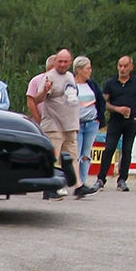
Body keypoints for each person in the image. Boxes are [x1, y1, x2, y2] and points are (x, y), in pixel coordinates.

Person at [33, 49, 87, 197]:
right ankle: (50, 188)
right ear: (55, 61)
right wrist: (44, 91)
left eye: (65, 61)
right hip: (54, 124)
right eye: (60, 61)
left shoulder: (70, 76)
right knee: (54, 158)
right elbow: (37, 99)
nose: (62, 64)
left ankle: (78, 186)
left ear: (70, 62)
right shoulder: (49, 77)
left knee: (72, 157)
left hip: (70, 124)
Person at [98, 55, 136, 191]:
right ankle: (101, 179)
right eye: (120, 66)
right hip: (115, 120)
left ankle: (122, 179)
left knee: (127, 150)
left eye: (125, 66)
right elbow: (104, 102)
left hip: (131, 121)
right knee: (109, 149)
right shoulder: (110, 83)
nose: (122, 69)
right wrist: (116, 109)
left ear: (131, 67)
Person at [72, 56, 104, 190]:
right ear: (79, 70)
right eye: (87, 68)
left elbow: (101, 101)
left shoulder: (92, 84)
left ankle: (83, 181)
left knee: (86, 154)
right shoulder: (71, 85)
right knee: (76, 153)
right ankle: (76, 182)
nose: (90, 71)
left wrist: (99, 118)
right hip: (76, 124)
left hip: (91, 123)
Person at [25, 54, 55, 124]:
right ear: (51, 67)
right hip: (41, 120)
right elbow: (30, 102)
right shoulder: (36, 80)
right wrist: (38, 120)